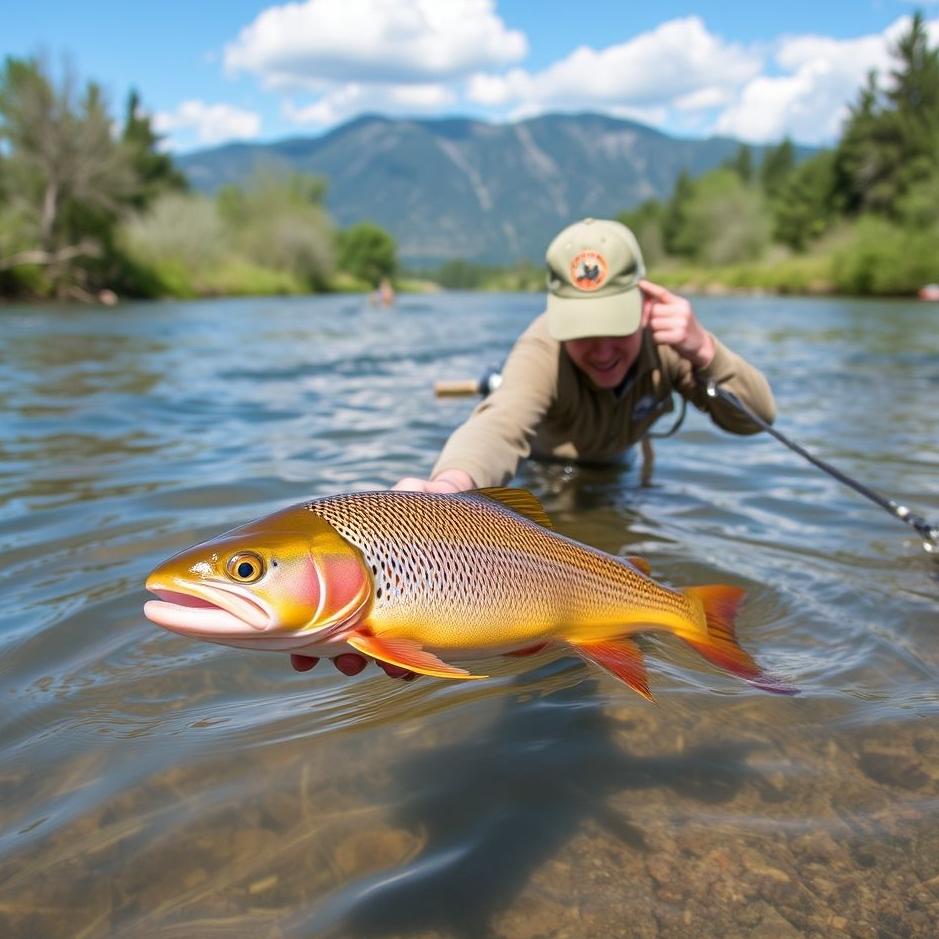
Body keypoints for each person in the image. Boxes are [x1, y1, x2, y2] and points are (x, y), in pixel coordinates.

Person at [292, 217, 775, 679]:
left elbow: (757, 418)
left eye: (615, 325)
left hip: (619, 475)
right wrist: (447, 488)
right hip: (545, 478)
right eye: (582, 330)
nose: (602, 347)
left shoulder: (674, 343)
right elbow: (499, 424)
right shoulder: (541, 348)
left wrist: (706, 351)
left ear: (647, 305)